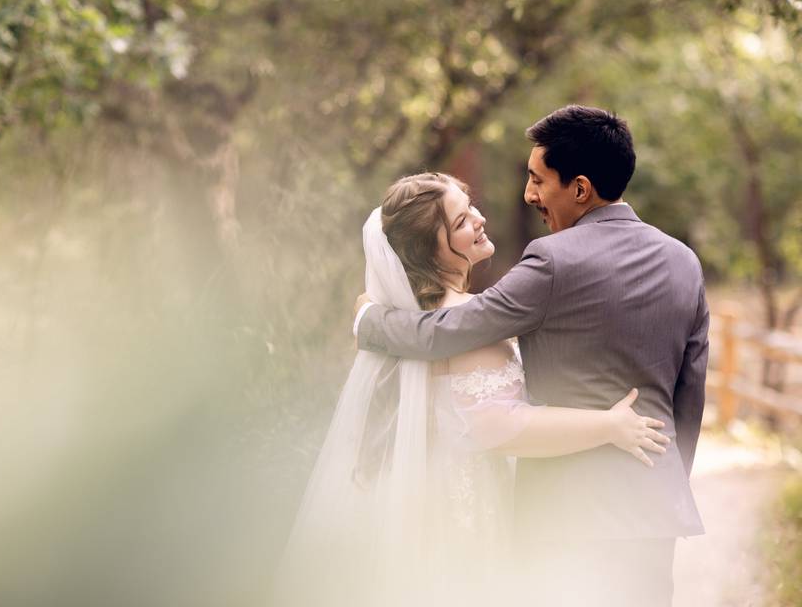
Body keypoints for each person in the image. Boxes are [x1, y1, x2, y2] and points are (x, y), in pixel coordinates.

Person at [354, 105, 708, 607]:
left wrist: (367, 321)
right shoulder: (685, 263)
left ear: (580, 188)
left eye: (538, 180)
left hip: (564, 517)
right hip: (652, 511)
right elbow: (688, 399)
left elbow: (447, 332)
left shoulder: (553, 260)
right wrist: (662, 481)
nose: (529, 194)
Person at [274, 170, 671, 607]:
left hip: (424, 511)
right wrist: (608, 426)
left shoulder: (396, 317)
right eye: (461, 221)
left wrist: (364, 317)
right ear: (431, 250)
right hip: (463, 522)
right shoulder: (467, 322)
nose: (479, 220)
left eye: (470, 207)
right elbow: (497, 427)